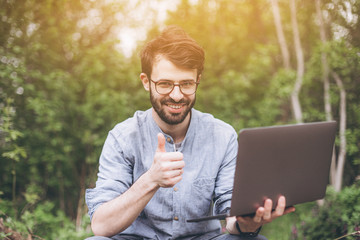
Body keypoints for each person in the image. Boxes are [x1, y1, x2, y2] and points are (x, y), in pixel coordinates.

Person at [85, 25, 295, 240]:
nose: (176, 96)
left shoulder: (223, 136)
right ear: (146, 82)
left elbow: (231, 215)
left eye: (186, 84)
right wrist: (151, 180)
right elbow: (101, 226)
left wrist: (247, 223)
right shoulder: (122, 137)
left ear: (198, 81)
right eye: (165, 84)